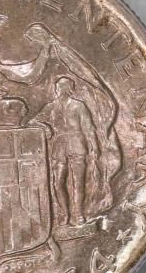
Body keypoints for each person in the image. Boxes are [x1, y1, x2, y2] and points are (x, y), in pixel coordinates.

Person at [35, 76, 102, 226]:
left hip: (77, 146)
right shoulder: (51, 106)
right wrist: (46, 127)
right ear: (56, 89)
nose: (61, 90)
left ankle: (78, 214)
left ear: (70, 89)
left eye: (64, 87)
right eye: (59, 87)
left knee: (78, 183)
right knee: (58, 182)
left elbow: (88, 128)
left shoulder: (79, 106)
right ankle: (64, 214)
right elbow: (34, 121)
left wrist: (95, 147)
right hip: (59, 148)